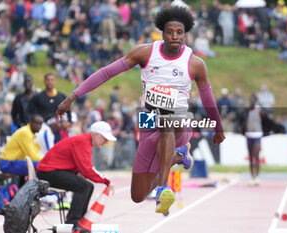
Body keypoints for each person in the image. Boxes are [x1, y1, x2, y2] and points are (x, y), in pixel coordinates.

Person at [56, 6, 225, 214]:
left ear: (185, 34)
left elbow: (208, 98)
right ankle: (179, 157)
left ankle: (163, 188)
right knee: (137, 196)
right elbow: (106, 73)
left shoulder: (195, 64)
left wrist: (218, 127)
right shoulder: (145, 53)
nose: (175, 36)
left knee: (167, 121)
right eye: (170, 32)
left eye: (179, 32)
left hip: (179, 123)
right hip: (148, 123)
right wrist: (74, 95)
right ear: (162, 33)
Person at [36, 121, 116, 232]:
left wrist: (79, 171)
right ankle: (72, 222)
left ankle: (80, 220)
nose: (106, 141)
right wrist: (106, 181)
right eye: (105, 138)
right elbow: (87, 169)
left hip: (52, 170)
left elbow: (82, 166)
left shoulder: (85, 141)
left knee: (89, 186)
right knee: (83, 186)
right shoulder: (83, 142)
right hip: (48, 172)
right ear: (96, 135)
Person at [27, 72, 70, 143]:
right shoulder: (38, 97)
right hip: (41, 130)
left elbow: (68, 112)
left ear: (55, 81)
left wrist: (67, 123)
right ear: (44, 81)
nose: (50, 82)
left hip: (58, 131)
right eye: (48, 80)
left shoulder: (61, 97)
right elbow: (29, 112)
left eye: (52, 80)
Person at [244, 93, 263, 186]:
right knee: (251, 157)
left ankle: (257, 176)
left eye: (252, 100)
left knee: (256, 155)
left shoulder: (259, 109)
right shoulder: (247, 110)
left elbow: (265, 119)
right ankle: (252, 176)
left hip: (257, 135)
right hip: (248, 135)